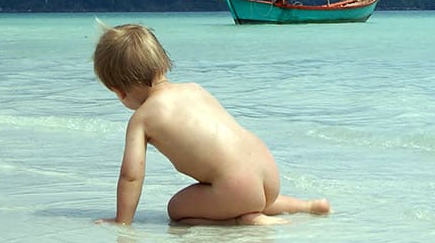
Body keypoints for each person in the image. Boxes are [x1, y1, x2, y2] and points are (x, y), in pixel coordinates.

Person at [93, 22, 331, 226]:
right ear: (163, 63)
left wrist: (122, 221)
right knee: (251, 194)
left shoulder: (142, 119)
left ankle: (243, 220)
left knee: (176, 209)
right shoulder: (195, 89)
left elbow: (131, 176)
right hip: (267, 173)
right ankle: (308, 205)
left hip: (235, 189)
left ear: (119, 91)